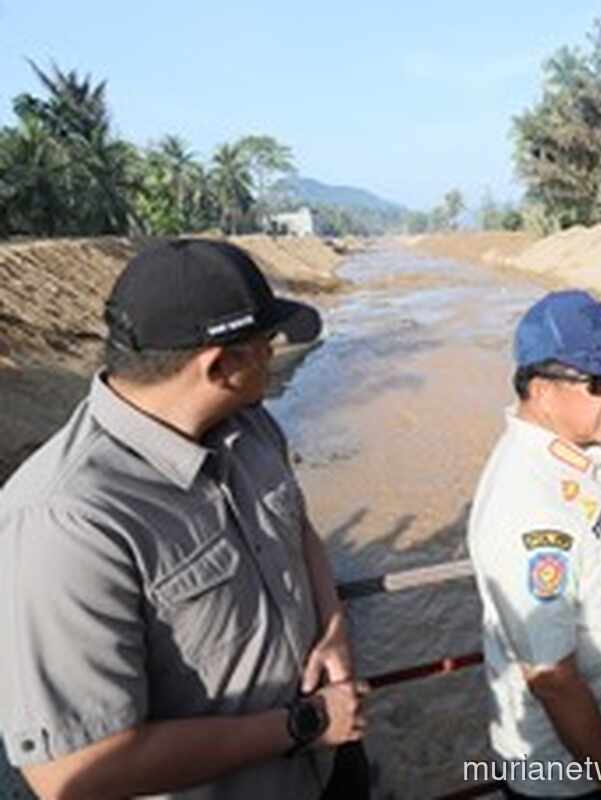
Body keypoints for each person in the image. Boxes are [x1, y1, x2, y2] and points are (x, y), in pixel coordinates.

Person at [0, 239, 368, 799]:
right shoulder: (67, 522)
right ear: (218, 365)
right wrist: (303, 725)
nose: (274, 355)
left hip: (323, 768)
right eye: (265, 344)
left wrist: (334, 629)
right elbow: (72, 773)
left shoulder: (250, 428)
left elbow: (296, 527)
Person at [467, 289, 601, 799]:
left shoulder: (572, 452)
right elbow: (551, 676)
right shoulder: (527, 507)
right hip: (573, 774)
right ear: (540, 389)